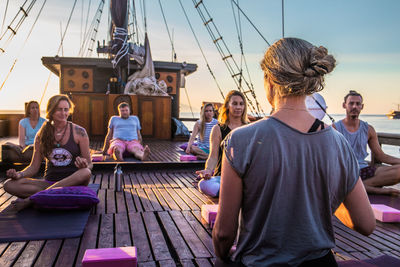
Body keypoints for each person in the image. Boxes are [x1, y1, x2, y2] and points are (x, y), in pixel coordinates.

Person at [213, 38, 375, 266]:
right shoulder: (339, 144)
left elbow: (223, 234)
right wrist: (321, 197)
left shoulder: (240, 140)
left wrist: (222, 256)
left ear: (269, 81)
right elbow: (366, 224)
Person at [4, 94, 92, 199]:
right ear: (51, 110)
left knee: (85, 172)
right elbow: (33, 167)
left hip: (73, 183)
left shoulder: (79, 132)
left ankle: (36, 198)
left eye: (66, 109)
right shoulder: (42, 134)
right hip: (49, 183)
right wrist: (19, 174)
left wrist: (84, 165)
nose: (63, 113)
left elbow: (89, 164)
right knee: (8, 184)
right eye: (59, 109)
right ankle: (49, 194)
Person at [334, 90, 400, 195]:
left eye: (358, 104)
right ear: (344, 105)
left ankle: (362, 187)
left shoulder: (368, 129)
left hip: (364, 171)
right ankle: (373, 189)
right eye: (351, 103)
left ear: (362, 106)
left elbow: (381, 156)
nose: (354, 106)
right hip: (345, 173)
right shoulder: (335, 128)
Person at [196, 90, 248, 197]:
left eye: (241, 104)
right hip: (223, 177)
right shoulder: (218, 129)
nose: (238, 107)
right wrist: (208, 170)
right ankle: (235, 193)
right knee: (204, 185)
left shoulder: (249, 128)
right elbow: (213, 156)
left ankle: (232, 192)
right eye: (234, 103)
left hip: (244, 176)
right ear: (228, 106)